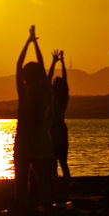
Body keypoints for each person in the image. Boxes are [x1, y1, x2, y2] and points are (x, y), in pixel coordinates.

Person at [13, 25, 54, 216]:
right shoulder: (43, 90)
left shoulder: (28, 92)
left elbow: (19, 65)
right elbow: (30, 66)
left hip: (26, 145)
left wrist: (29, 43)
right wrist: (33, 43)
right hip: (37, 145)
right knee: (42, 184)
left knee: (22, 185)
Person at [48, 49, 70, 181]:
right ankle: (60, 181)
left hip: (57, 129)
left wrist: (58, 62)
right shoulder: (57, 97)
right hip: (57, 129)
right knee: (58, 161)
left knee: (58, 161)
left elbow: (62, 80)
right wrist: (58, 62)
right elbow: (49, 79)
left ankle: (60, 181)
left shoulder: (60, 98)